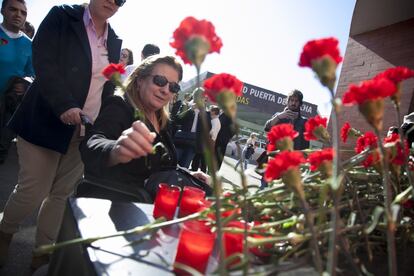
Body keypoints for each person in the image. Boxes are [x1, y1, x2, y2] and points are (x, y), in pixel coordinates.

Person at [0, 0, 123, 269]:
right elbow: (43, 60)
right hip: (45, 120)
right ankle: (5, 230)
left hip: (83, 132)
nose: (113, 2)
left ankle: (42, 252)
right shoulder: (62, 16)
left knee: (61, 195)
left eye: (121, 0)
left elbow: (108, 88)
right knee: (34, 190)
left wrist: (104, 126)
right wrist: (64, 104)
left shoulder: (114, 40)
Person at [77, 55, 210, 201]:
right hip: (128, 205)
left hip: (158, 203)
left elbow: (161, 165)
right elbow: (93, 142)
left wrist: (187, 173)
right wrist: (115, 149)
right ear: (140, 80)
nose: (166, 90)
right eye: (160, 81)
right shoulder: (120, 106)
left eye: (173, 87)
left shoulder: (162, 120)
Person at [0, 0, 34, 164]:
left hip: (10, 106)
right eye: (13, 9)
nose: (18, 15)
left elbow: (33, 74)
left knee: (2, 148)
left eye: (23, 12)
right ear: (2, 10)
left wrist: (25, 83)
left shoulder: (29, 44)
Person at [259, 89, 309, 189]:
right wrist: (279, 117)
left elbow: (305, 146)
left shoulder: (304, 121)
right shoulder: (279, 116)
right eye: (291, 100)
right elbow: (267, 128)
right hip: (274, 159)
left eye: (296, 101)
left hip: (290, 165)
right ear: (287, 101)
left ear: (300, 104)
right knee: (264, 188)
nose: (293, 103)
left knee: (281, 192)